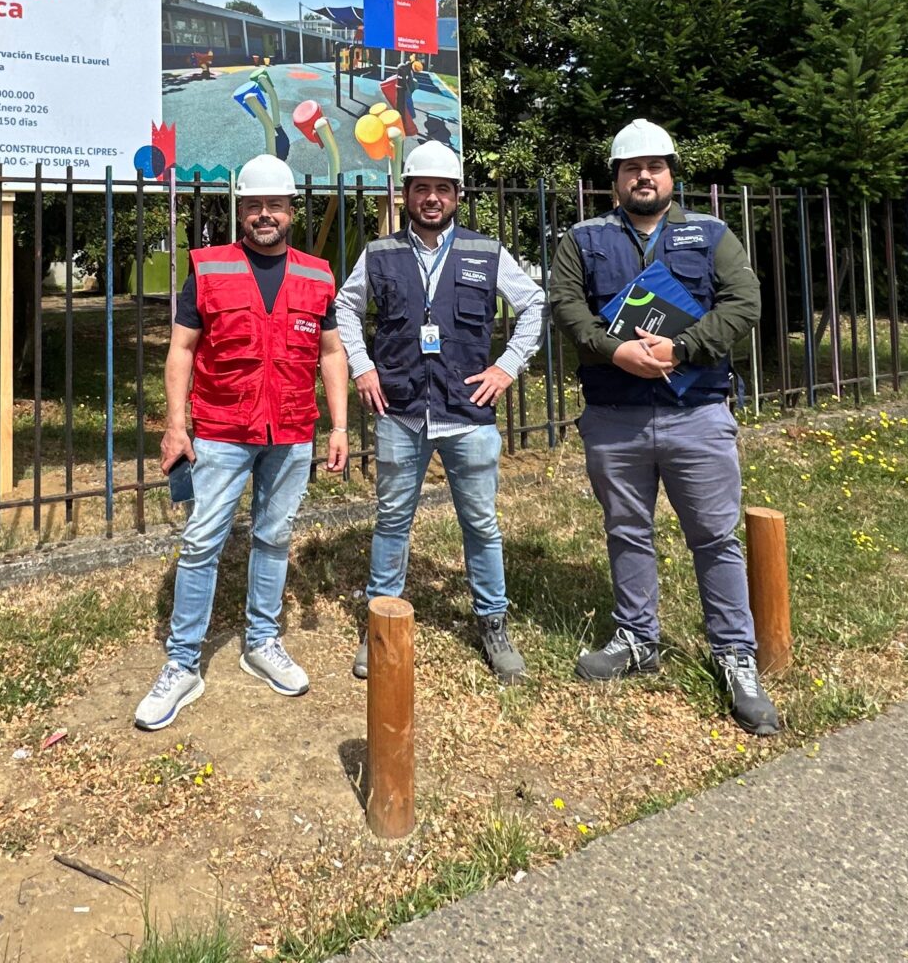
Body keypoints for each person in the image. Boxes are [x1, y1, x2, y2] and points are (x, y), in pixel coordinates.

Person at [548, 119, 779, 736]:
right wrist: (610, 350)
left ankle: (734, 656)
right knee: (627, 529)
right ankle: (637, 639)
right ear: (615, 180)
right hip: (614, 416)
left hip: (696, 413)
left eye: (654, 166)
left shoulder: (711, 233)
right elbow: (566, 306)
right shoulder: (583, 239)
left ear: (672, 173)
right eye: (631, 168)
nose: (643, 176)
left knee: (714, 536)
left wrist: (681, 348)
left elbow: (745, 302)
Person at [133, 154, 351, 731]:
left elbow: (331, 354)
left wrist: (340, 426)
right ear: (240, 210)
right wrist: (176, 426)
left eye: (274, 205)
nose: (264, 215)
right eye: (253, 205)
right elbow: (180, 351)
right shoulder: (207, 269)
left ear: (290, 211)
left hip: (291, 430)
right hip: (222, 431)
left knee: (274, 535)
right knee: (203, 540)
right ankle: (182, 664)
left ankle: (263, 641)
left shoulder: (317, 274)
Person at [333, 141, 545, 684]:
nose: (431, 198)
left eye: (442, 190)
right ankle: (379, 624)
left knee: (480, 523)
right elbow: (345, 306)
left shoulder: (485, 251)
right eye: (421, 188)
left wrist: (506, 368)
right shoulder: (380, 254)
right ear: (406, 194)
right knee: (392, 521)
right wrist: (361, 366)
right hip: (401, 410)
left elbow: (534, 304)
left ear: (456, 196)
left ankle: (492, 623)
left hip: (467, 412)